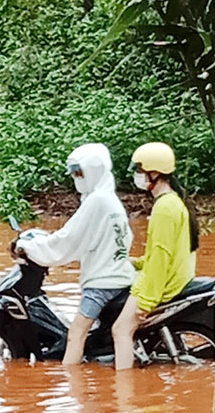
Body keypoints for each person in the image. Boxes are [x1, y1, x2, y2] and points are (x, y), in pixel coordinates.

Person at [15, 143, 134, 366]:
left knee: (76, 334)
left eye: (80, 172)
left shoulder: (97, 202)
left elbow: (67, 241)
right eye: (74, 173)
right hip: (120, 277)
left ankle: (73, 389)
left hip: (102, 284)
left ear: (94, 170)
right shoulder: (109, 199)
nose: (76, 177)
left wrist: (29, 247)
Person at [111, 141, 199, 370]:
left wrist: (147, 302)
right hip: (175, 279)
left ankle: (123, 392)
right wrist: (136, 263)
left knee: (120, 331)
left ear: (155, 173)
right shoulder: (174, 203)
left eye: (140, 171)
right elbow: (161, 254)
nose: (137, 176)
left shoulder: (164, 208)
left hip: (162, 284)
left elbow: (161, 257)